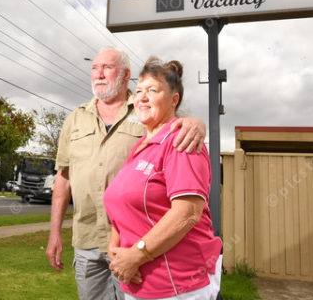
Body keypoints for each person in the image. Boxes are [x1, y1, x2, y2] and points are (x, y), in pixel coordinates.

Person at [46, 47, 207, 300]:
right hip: (88, 238)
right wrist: (54, 233)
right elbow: (63, 180)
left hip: (140, 243)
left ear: (125, 74)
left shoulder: (145, 113)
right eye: (94, 68)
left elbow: (174, 127)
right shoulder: (75, 119)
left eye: (107, 68)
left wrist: (196, 123)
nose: (99, 74)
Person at [104, 57, 222, 300]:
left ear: (174, 99)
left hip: (178, 284)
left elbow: (187, 213)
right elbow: (121, 205)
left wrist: (136, 255)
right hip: (139, 282)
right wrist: (116, 250)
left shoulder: (183, 140)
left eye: (152, 90)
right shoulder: (140, 146)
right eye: (139, 91)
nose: (142, 97)